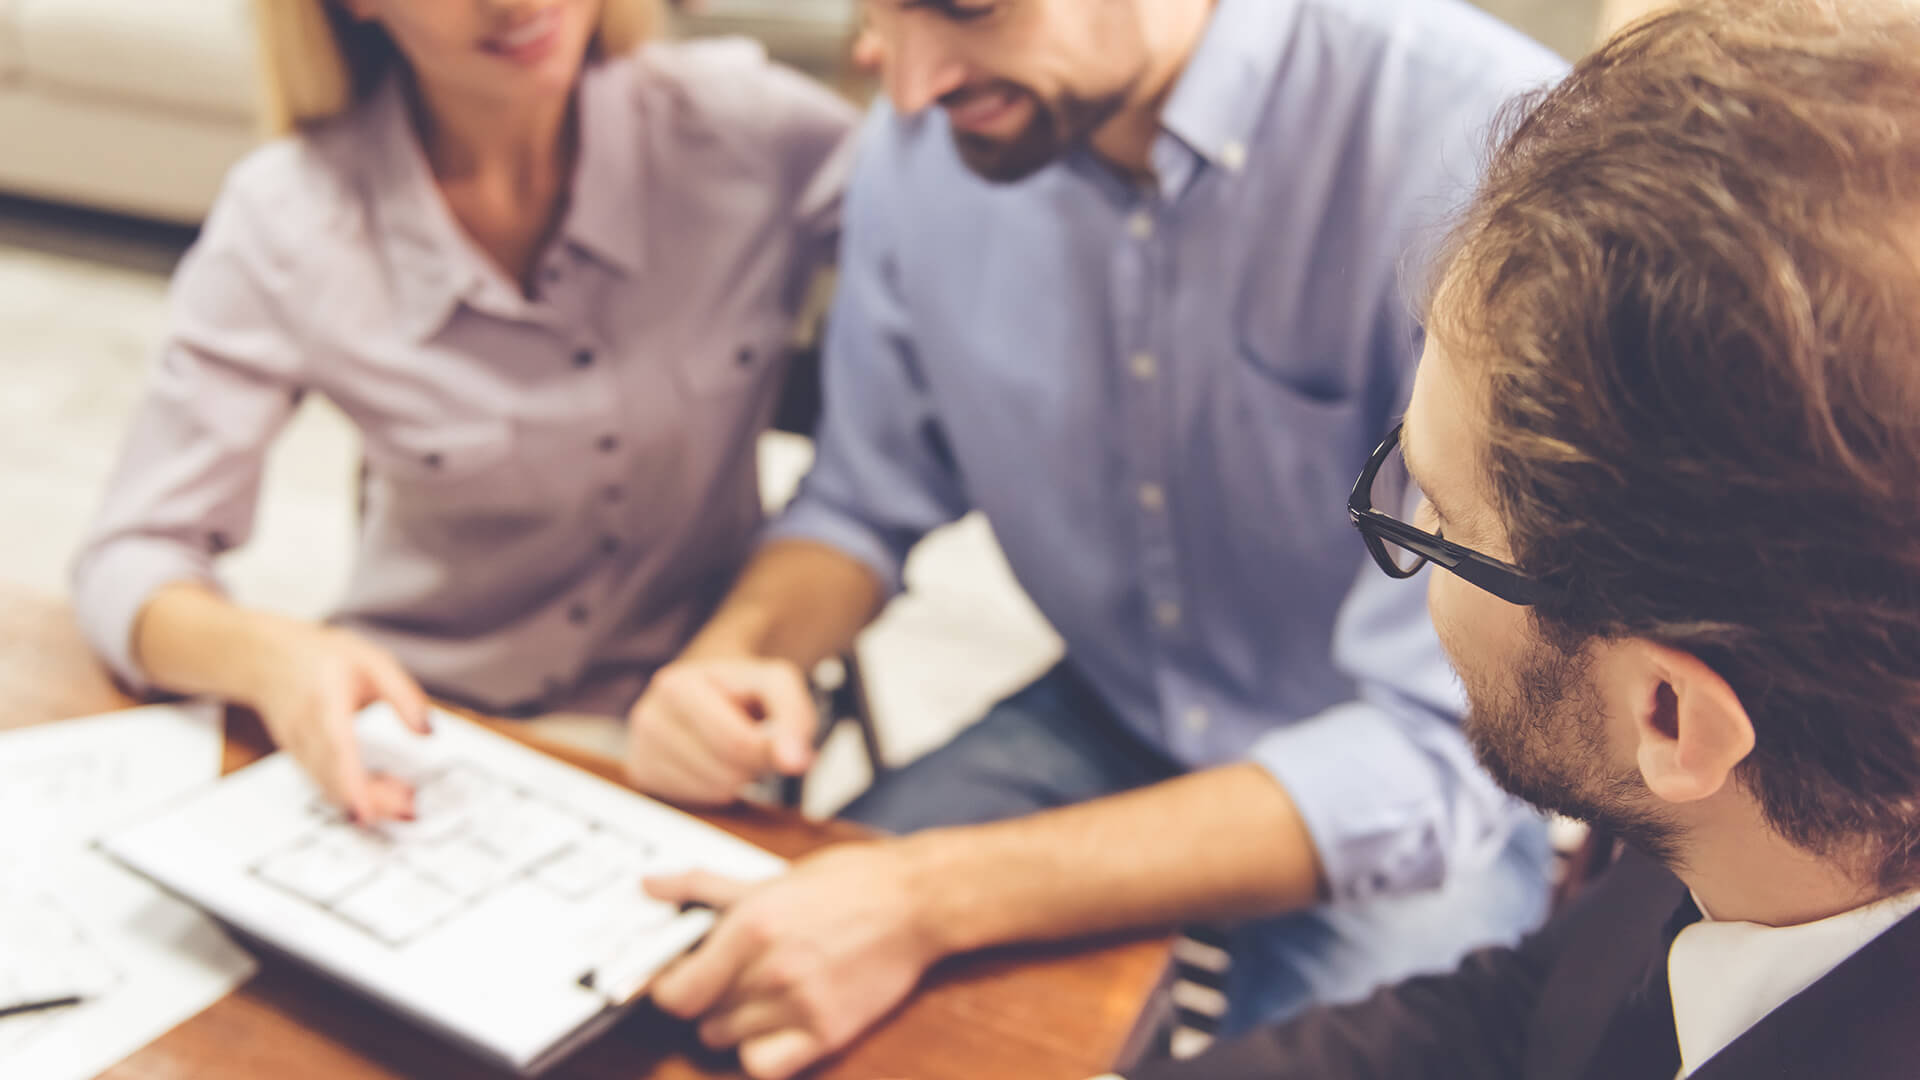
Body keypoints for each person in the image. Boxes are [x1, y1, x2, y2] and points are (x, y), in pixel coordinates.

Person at [623, 1, 1567, 1076]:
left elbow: (1434, 750)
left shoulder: (1486, 147)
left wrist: (930, 898)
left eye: (969, 8)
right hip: (1111, 713)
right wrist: (738, 656)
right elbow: (860, 498)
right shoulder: (927, 141)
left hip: (1404, 779)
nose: (911, 88)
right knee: (742, 998)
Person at [1122, 3, 1920, 1076]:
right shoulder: (1770, 825)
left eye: (1444, 522)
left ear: (1671, 715)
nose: (1417, 535)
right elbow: (1520, 1014)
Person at [70, 0, 855, 825]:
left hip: (688, 744)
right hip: (421, 733)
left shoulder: (752, 132)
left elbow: (939, 239)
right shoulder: (293, 214)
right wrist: (275, 659)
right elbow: (132, 553)